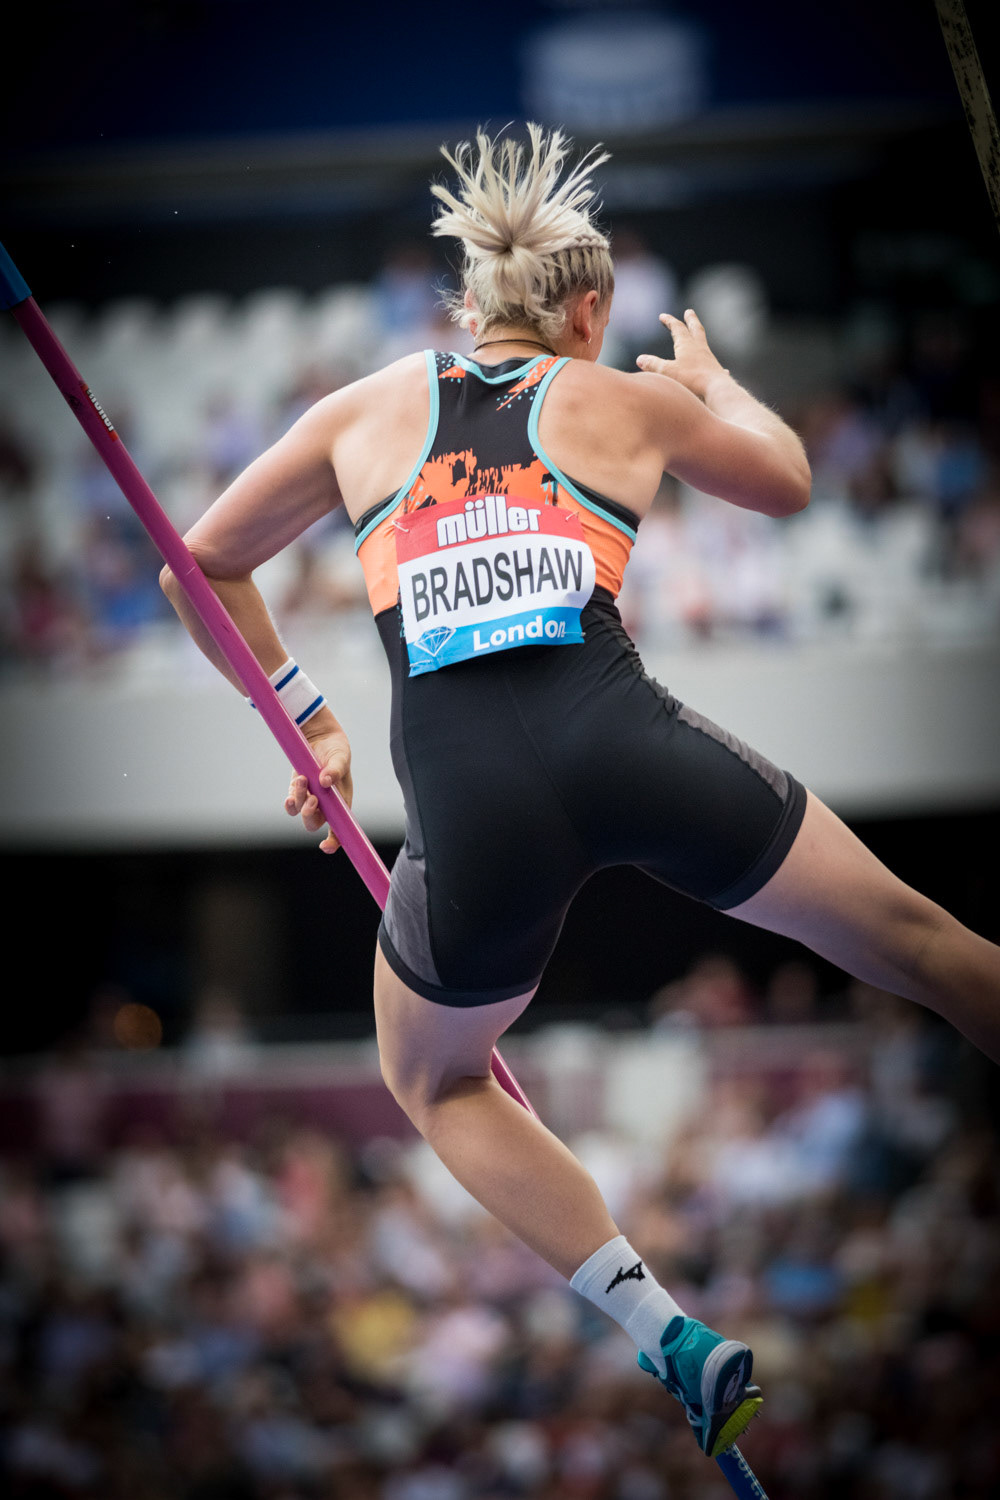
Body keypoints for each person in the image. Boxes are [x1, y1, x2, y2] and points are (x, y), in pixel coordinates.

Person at [161, 125, 1000, 1461]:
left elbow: (195, 566)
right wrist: (717, 384)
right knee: (917, 942)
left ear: (471, 307)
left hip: (471, 804)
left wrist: (307, 721)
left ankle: (667, 1332)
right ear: (588, 313)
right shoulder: (620, 400)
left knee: (432, 1081)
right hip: (627, 743)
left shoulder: (365, 411)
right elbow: (783, 480)